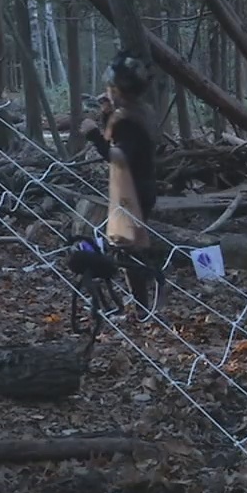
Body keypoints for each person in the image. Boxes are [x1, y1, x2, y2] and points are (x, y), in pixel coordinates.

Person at [79, 54, 163, 313]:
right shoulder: (138, 112)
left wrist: (94, 135)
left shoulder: (128, 119)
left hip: (133, 191)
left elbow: (119, 156)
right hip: (141, 186)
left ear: (118, 89)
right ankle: (141, 302)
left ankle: (142, 308)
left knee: (128, 248)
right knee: (128, 247)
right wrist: (106, 117)